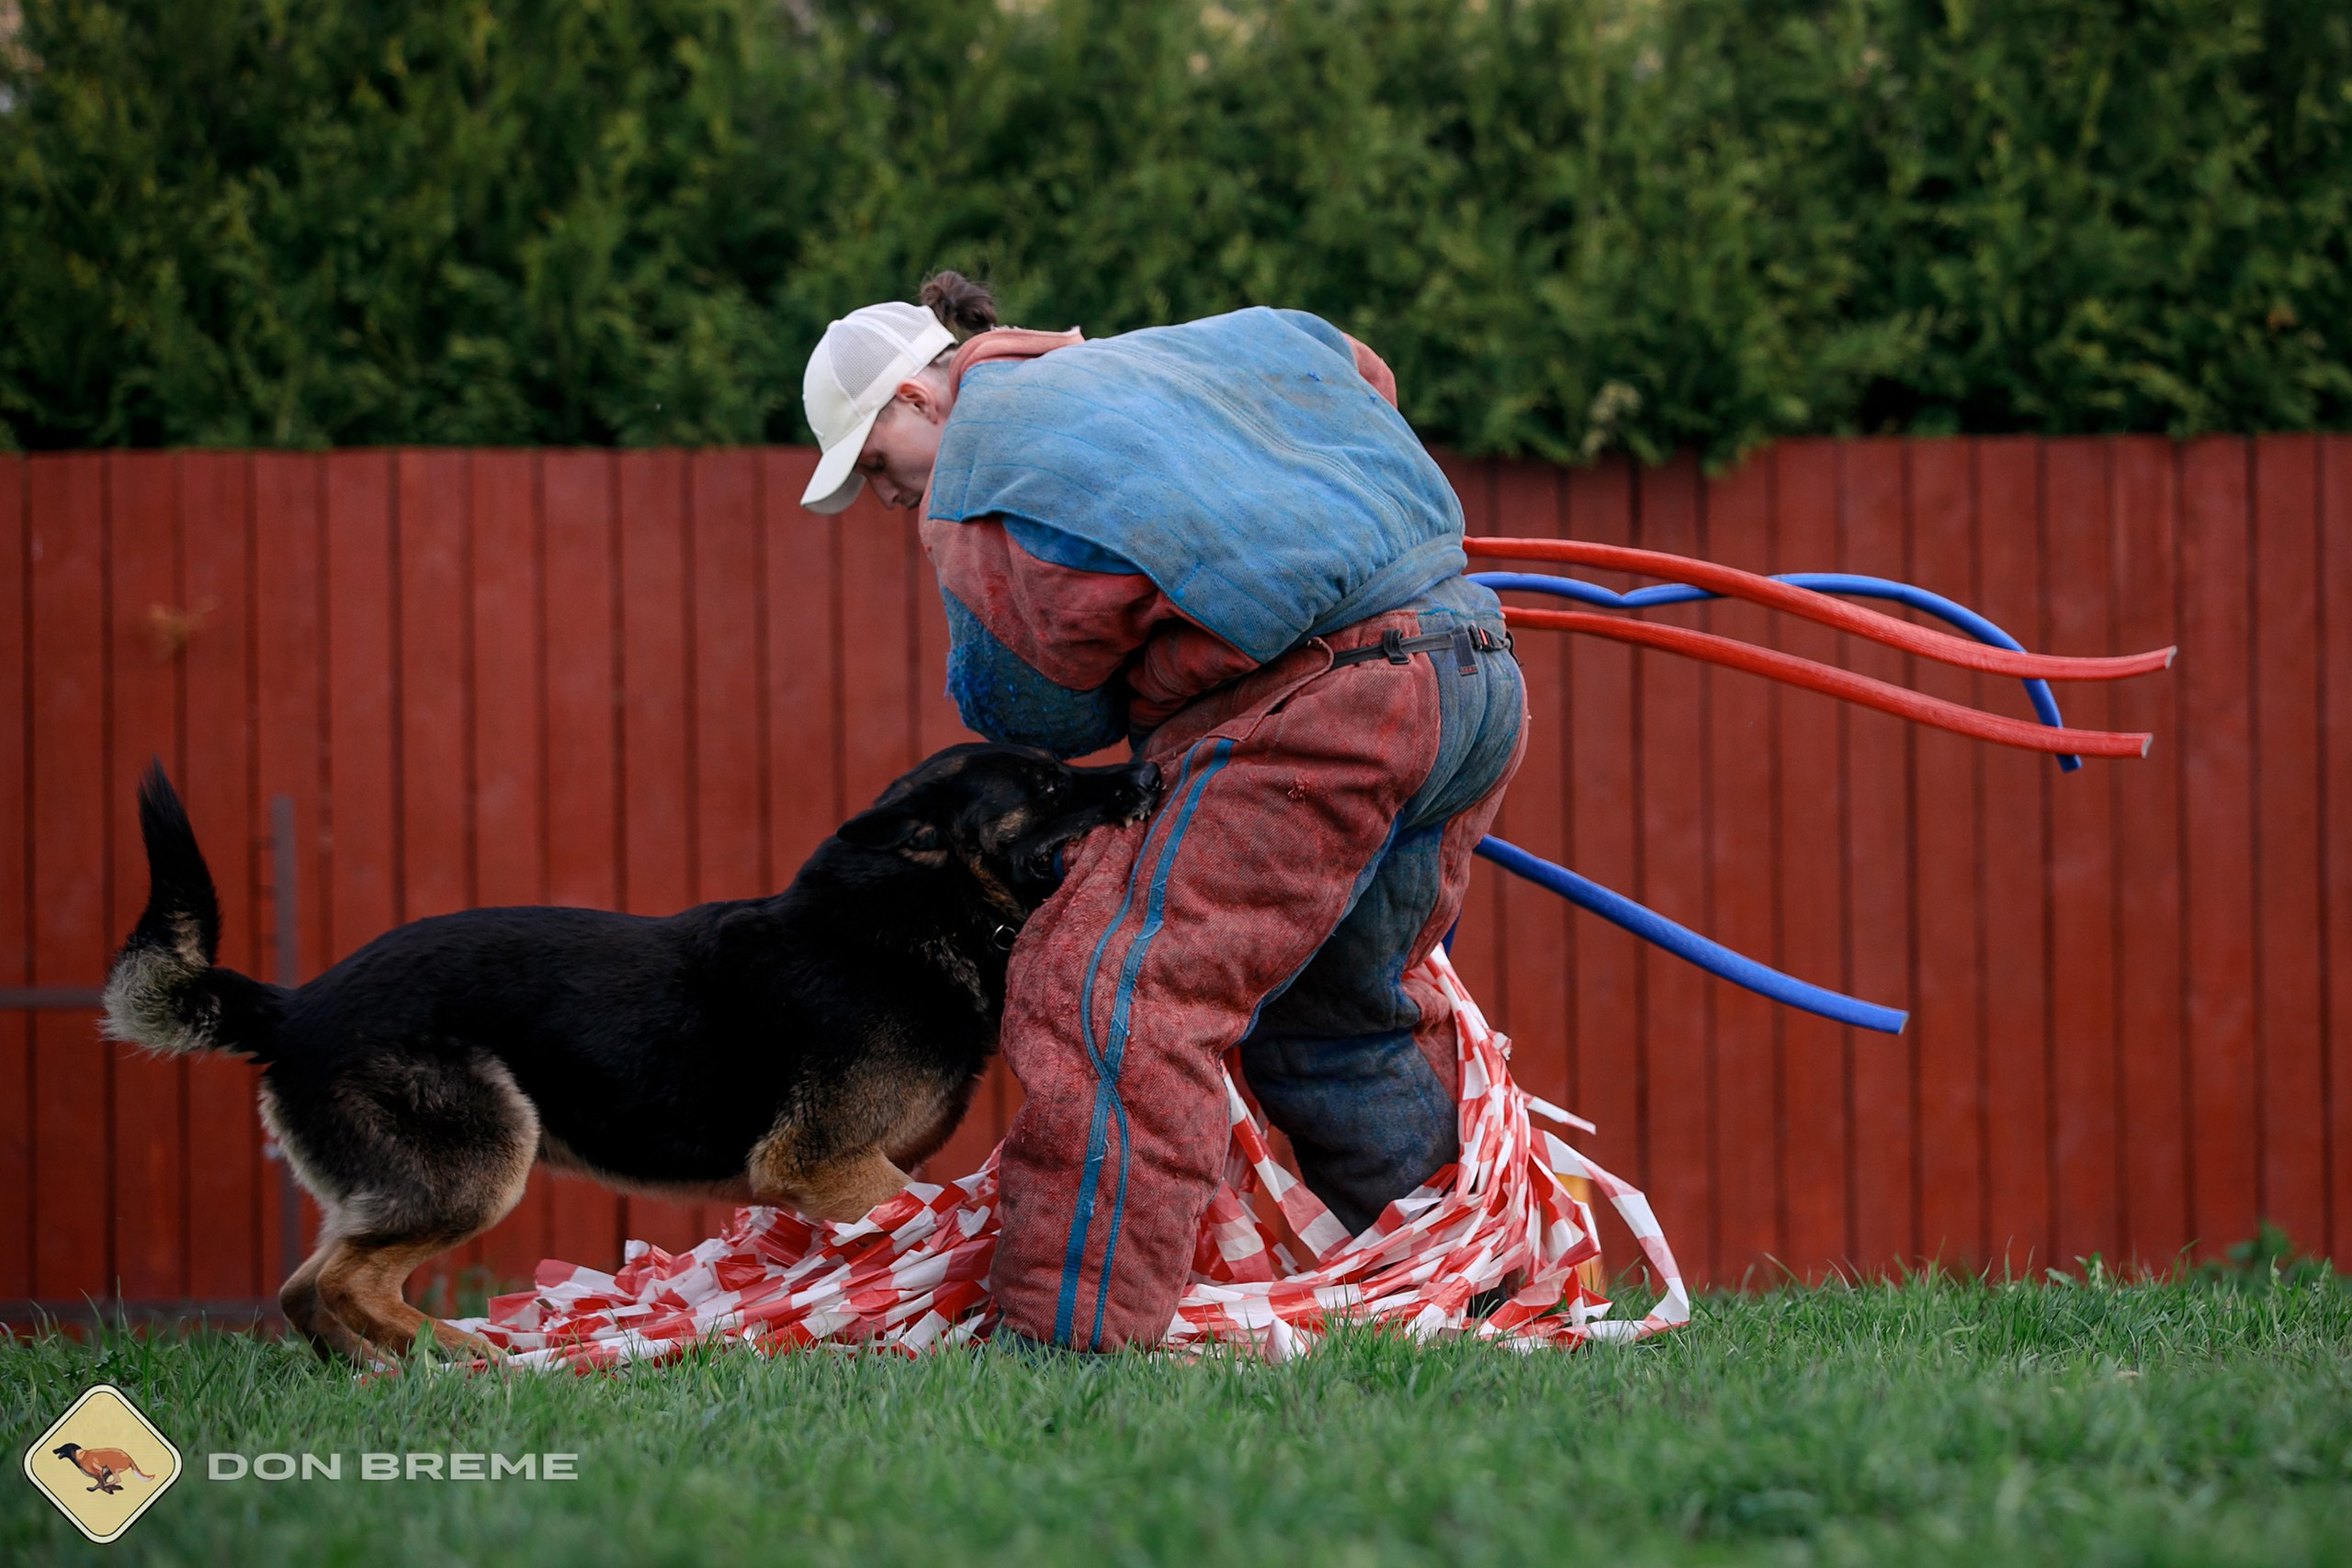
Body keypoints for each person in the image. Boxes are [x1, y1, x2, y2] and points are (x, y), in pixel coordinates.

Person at [798, 274, 1525, 1350]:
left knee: (1109, 993)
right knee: (1340, 1013)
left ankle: (1069, 1339)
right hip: (1470, 663)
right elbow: (1356, 366)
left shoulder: (981, 461)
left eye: (875, 467)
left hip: (1321, 711)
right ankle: (1475, 1299)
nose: (891, 497)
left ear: (916, 398)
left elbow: (1030, 707)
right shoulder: (1179, 350)